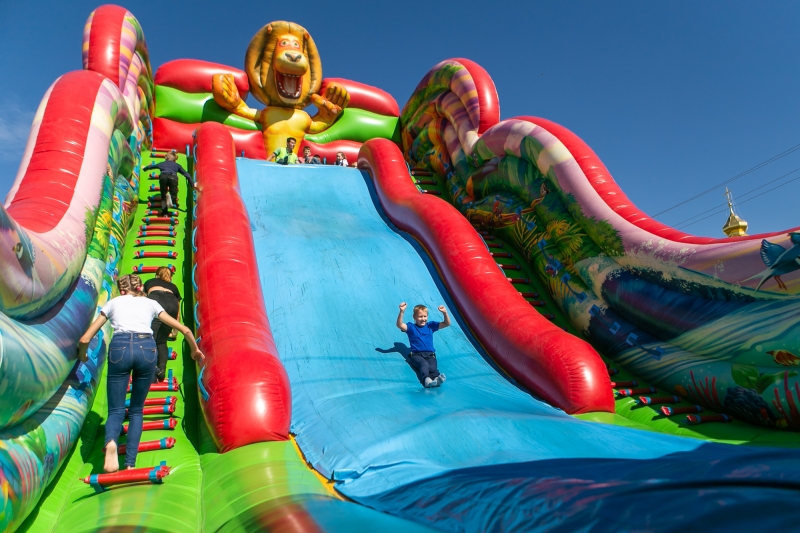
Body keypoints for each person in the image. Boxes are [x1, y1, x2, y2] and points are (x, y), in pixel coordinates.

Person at [77, 274, 203, 473]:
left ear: (121, 290)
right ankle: (130, 464)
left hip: (120, 348)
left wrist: (83, 355)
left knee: (116, 410)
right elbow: (185, 330)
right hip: (146, 348)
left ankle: (111, 442)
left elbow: (85, 339)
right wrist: (195, 350)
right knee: (136, 410)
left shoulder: (113, 303)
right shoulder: (150, 303)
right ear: (140, 287)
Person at [396, 302, 451, 387]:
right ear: (414, 317)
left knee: (432, 368)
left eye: (425, 316)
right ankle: (427, 380)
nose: (423, 319)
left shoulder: (430, 326)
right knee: (424, 364)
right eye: (420, 316)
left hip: (430, 355)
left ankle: (436, 379)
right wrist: (402, 311)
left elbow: (447, 323)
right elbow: (399, 325)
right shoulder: (411, 327)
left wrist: (445, 312)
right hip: (416, 355)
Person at [144, 267, 181, 382]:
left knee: (150, 338)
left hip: (156, 299)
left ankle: (148, 369)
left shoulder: (150, 282)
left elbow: (143, 302)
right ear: (170, 277)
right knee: (161, 341)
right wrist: (175, 331)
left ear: (157, 275)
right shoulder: (174, 287)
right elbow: (178, 311)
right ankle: (161, 370)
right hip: (172, 304)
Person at [142, 150, 195, 216]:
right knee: (173, 193)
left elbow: (152, 166)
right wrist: (192, 184)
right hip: (173, 178)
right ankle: (171, 199)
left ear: (166, 158)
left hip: (163, 177)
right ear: (174, 160)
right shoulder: (177, 165)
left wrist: (144, 168)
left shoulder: (162, 163)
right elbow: (187, 174)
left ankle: (164, 213)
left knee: (163, 196)